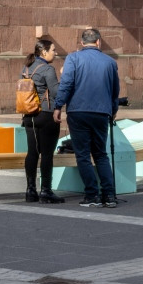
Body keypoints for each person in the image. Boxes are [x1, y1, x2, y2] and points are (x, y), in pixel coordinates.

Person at [53, 28, 121, 208]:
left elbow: (66, 84)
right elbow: (115, 91)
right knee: (101, 154)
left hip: (78, 111)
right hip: (101, 112)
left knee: (83, 155)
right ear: (99, 42)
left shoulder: (73, 58)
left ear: (82, 43)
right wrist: (112, 110)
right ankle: (110, 195)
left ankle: (92, 195)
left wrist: (58, 106)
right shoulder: (110, 62)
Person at [22, 40, 64, 204]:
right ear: (44, 52)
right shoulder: (47, 69)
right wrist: (64, 75)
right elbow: (56, 92)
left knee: (32, 152)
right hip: (46, 115)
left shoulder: (26, 68)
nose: (55, 53)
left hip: (29, 116)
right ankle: (46, 191)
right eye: (53, 50)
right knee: (46, 154)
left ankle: (30, 191)